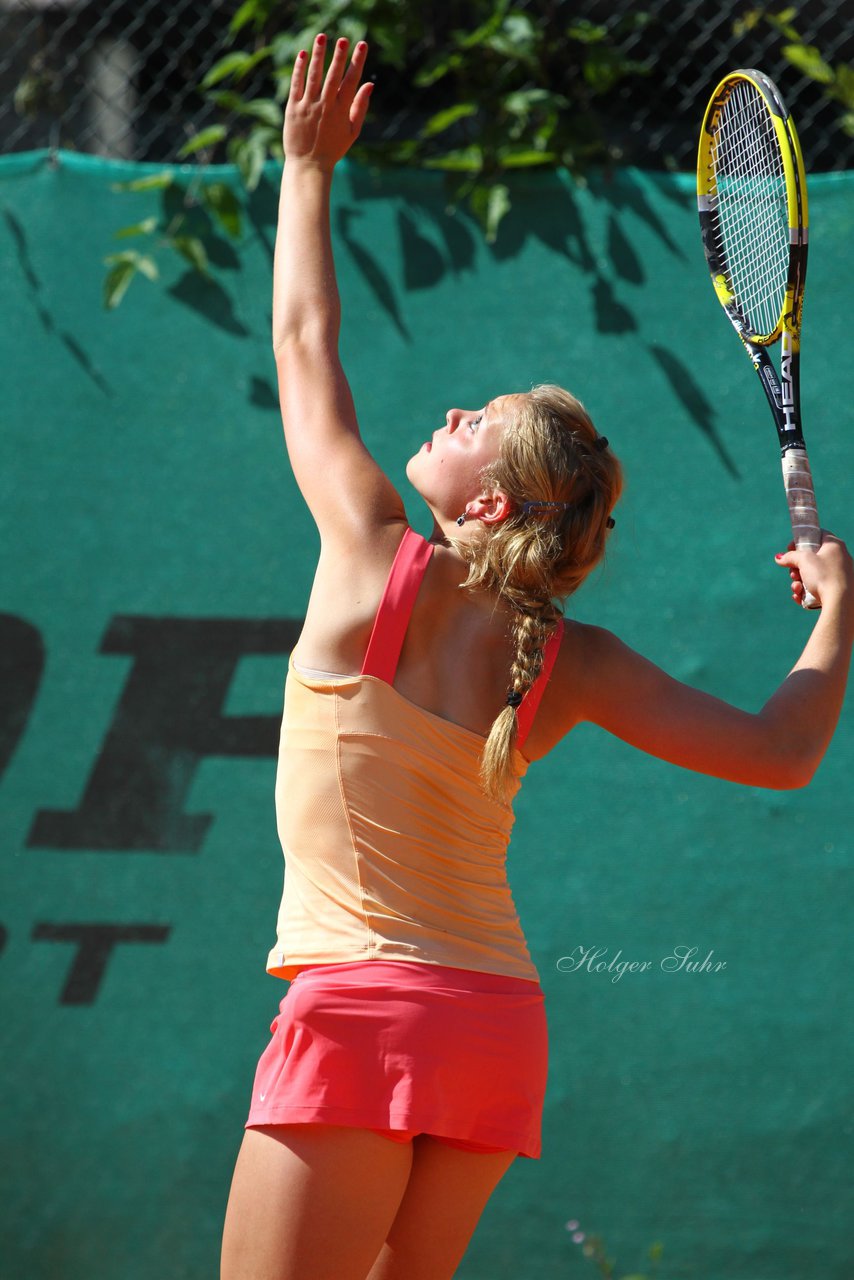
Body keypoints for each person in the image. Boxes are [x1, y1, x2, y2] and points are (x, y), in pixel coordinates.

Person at [220, 34, 854, 1280]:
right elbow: (782, 753)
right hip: (495, 1027)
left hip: (361, 1013)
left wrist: (306, 170)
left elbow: (302, 342)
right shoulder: (569, 657)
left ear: (495, 503)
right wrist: (836, 609)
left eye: (480, 425)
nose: (454, 413)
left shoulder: (366, 544)